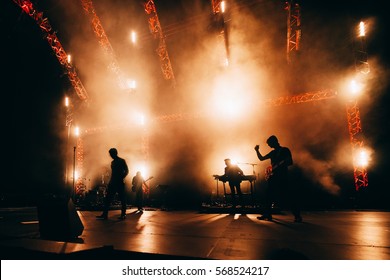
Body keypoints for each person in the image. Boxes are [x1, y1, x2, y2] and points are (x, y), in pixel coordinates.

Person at [254, 135, 302, 222]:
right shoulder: (272, 153)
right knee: (268, 196)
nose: (269, 145)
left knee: (288, 196)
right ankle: (268, 214)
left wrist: (279, 165)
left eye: (269, 143)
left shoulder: (284, 150)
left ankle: (297, 216)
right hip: (273, 177)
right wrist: (257, 151)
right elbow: (261, 158)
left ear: (274, 142)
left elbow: (290, 162)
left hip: (282, 177)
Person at [97, 148, 129, 220]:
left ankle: (123, 214)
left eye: (111, 154)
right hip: (114, 182)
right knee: (108, 198)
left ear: (115, 153)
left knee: (122, 199)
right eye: (110, 154)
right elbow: (113, 173)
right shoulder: (113, 162)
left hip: (119, 182)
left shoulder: (121, 161)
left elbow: (127, 170)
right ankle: (105, 214)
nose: (110, 155)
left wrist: (122, 177)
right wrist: (110, 182)